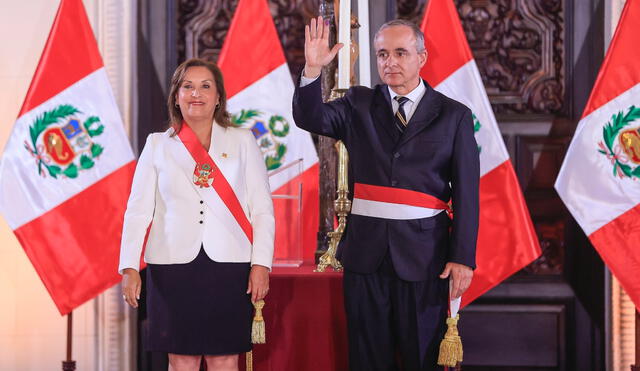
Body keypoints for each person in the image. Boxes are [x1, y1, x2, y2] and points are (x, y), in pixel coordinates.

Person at [293, 17, 479, 370]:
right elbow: (310, 118)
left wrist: (463, 257)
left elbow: (468, 192)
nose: (389, 62)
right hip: (366, 257)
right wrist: (313, 69)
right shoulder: (358, 104)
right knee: (367, 359)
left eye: (399, 53)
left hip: (426, 259)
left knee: (421, 356)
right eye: (381, 54)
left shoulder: (453, 116)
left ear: (421, 57)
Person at [118, 58, 275, 371]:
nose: (196, 93)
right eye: (187, 86)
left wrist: (261, 264)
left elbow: (262, 209)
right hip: (171, 266)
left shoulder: (242, 141)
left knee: (225, 357)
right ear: (176, 95)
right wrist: (129, 266)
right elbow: (137, 211)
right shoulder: (158, 145)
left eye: (206, 86)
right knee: (181, 358)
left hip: (230, 265)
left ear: (219, 97)